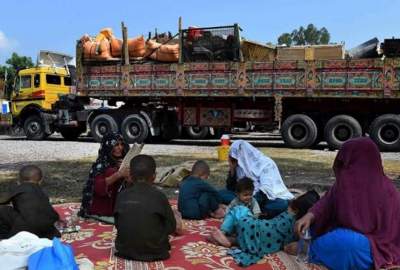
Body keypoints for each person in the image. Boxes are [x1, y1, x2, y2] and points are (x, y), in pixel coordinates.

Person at [295, 137, 400, 270]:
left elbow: (389, 239)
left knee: (347, 242)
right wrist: (309, 216)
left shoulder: (387, 192)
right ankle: (311, 248)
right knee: (307, 228)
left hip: (373, 248)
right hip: (339, 233)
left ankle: (310, 251)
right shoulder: (343, 185)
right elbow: (326, 203)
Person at [208, 190, 320, 267]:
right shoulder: (301, 227)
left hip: (252, 226)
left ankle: (224, 232)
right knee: (256, 237)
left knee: (239, 209)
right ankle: (230, 240)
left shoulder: (290, 209)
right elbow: (288, 246)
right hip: (266, 243)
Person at [114, 155, 178, 261]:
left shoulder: (121, 195)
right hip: (155, 251)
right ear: (154, 176)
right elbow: (171, 227)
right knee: (175, 217)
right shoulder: (159, 196)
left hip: (124, 250)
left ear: (130, 176)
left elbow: (118, 223)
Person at [221, 140, 294, 218]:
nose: (237, 161)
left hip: (265, 199)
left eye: (236, 158)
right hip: (244, 197)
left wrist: (252, 202)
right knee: (220, 194)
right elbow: (231, 188)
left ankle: (251, 211)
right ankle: (249, 211)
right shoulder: (239, 166)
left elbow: (265, 191)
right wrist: (232, 170)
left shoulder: (266, 163)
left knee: (281, 204)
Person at [78, 133, 129, 222]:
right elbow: (97, 187)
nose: (120, 148)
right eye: (116, 145)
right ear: (108, 146)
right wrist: (118, 174)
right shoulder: (100, 165)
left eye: (121, 144)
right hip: (101, 208)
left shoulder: (121, 162)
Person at [0, 165, 60, 239]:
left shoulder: (19, 189)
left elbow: (3, 201)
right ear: (40, 181)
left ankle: (3, 238)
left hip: (25, 230)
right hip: (48, 230)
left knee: (3, 210)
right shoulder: (42, 192)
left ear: (19, 180)